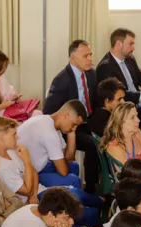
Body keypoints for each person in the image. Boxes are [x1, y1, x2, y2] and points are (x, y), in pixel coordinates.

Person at [0, 116, 104, 227]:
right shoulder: (2, 166)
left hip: (36, 193)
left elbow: (33, 171)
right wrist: (27, 161)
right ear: (1, 138)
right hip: (28, 202)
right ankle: (99, 215)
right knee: (76, 199)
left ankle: (101, 203)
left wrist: (33, 193)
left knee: (74, 193)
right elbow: (26, 190)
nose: (17, 137)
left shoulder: (12, 151)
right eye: (14, 134)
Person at [44, 40, 102, 193]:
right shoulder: (61, 80)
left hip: (87, 119)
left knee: (109, 134)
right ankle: (91, 186)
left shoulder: (91, 74)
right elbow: (48, 112)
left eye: (90, 55)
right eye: (85, 56)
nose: (90, 59)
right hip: (69, 127)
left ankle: (108, 179)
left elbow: (95, 101)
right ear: (72, 58)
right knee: (92, 144)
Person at [17, 100, 86, 189]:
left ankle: (68, 196)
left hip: (38, 167)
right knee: (74, 180)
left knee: (74, 166)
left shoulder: (49, 122)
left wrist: (71, 133)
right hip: (28, 175)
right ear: (66, 115)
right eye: (74, 124)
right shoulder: (48, 131)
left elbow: (69, 158)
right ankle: (93, 200)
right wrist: (61, 166)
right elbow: (63, 171)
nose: (74, 128)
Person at [0, 49, 40, 130]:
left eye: (5, 68)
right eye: (2, 68)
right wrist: (0, 107)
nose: (3, 71)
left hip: (5, 112)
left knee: (38, 114)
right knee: (29, 125)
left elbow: (8, 91)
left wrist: (13, 97)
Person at [99, 101, 141, 169]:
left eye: (136, 116)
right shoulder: (114, 146)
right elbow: (127, 175)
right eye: (132, 117)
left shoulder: (137, 132)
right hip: (133, 178)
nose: (138, 120)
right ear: (120, 122)